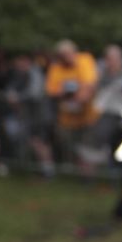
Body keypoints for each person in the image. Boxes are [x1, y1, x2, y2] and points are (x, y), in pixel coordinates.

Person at [45, 39, 100, 171]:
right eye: (63, 56)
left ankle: (90, 176)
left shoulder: (85, 60)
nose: (67, 58)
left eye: (69, 54)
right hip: (67, 119)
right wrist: (74, 91)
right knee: (73, 147)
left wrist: (71, 94)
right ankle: (80, 173)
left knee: (90, 146)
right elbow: (52, 91)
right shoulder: (56, 67)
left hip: (88, 116)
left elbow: (89, 86)